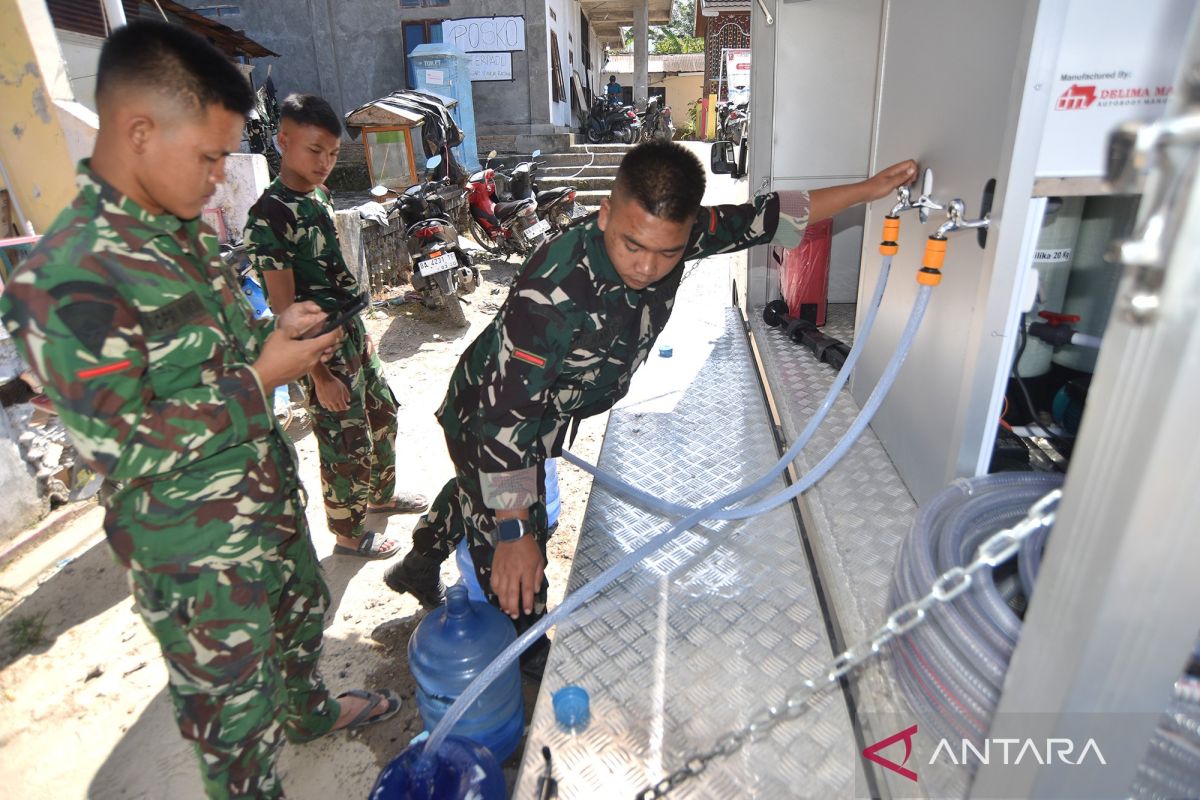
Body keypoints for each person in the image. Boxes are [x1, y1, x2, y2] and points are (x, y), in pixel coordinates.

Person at [0, 21, 399, 799]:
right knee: (235, 727)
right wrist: (264, 377)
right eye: (211, 157)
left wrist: (269, 331)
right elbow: (119, 445)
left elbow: (214, 345)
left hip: (264, 503)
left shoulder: (176, 236)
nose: (221, 178)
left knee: (299, 627)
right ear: (139, 131)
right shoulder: (67, 276)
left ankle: (312, 713)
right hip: (197, 556)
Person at [384, 139, 917, 675]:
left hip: (542, 410)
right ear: (607, 212)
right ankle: (522, 650)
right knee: (515, 553)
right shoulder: (553, 285)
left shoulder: (673, 233)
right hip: (492, 416)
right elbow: (507, 421)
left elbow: (765, 217)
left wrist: (871, 190)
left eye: (669, 252)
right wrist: (515, 535)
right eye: (632, 245)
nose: (646, 267)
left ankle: (419, 562)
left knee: (474, 494)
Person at [244, 94, 427, 561]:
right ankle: (348, 535)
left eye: (331, 152)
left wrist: (359, 330)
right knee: (345, 439)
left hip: (350, 330)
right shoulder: (270, 216)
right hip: (317, 347)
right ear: (283, 141)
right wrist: (319, 376)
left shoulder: (319, 195)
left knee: (383, 412)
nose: (325, 162)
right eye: (314, 150)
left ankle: (380, 495)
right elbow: (285, 311)